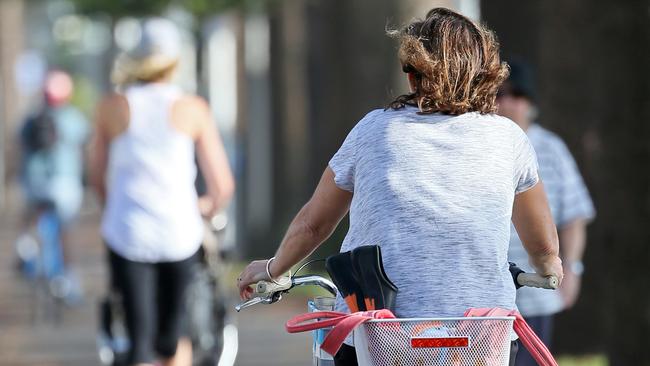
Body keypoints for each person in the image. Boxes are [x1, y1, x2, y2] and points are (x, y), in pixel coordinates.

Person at [237, 8, 563, 366]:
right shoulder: (509, 139)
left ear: (413, 75)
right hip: (482, 338)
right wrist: (549, 269)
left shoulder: (373, 130)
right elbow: (544, 244)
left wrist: (272, 270)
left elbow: (314, 223)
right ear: (486, 76)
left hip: (382, 334)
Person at [90, 18, 235, 366]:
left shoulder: (111, 107)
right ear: (174, 62)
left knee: (139, 338)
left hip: (128, 233)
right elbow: (223, 185)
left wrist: (118, 206)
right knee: (174, 338)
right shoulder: (193, 108)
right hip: (179, 233)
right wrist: (202, 206)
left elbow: (96, 176)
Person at [497, 60, 596, 366]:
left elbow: (574, 215)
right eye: (499, 93)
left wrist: (572, 270)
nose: (507, 102)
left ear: (531, 103)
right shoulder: (482, 147)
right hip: (491, 295)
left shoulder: (551, 148)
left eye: (517, 94)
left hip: (537, 291)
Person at [17, 69, 89, 302]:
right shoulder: (72, 118)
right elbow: (85, 144)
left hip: (34, 184)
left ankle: (26, 249)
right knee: (66, 230)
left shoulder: (31, 118)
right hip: (64, 184)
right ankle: (69, 282)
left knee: (30, 218)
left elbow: (18, 145)